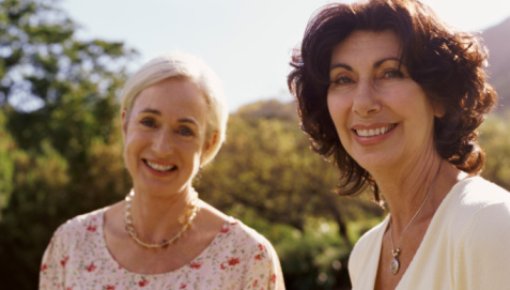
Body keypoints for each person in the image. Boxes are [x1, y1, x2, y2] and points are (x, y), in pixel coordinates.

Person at [288, 0, 510, 289]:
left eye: (390, 72)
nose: (363, 103)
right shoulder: (365, 254)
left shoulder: (488, 223)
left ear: (439, 97)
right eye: (343, 79)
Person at [40, 52, 285, 290]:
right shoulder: (71, 244)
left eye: (184, 130)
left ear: (209, 143)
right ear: (125, 124)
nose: (162, 147)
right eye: (149, 122)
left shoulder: (248, 258)